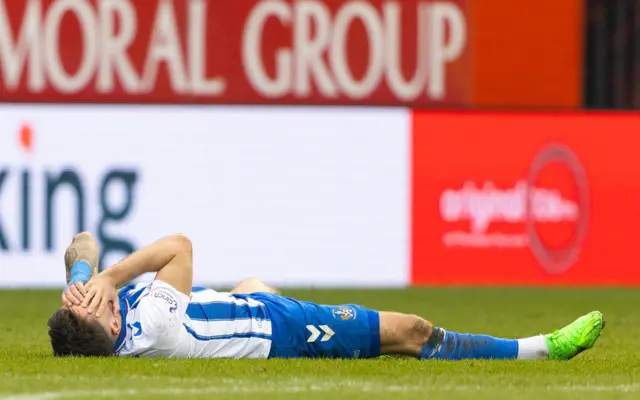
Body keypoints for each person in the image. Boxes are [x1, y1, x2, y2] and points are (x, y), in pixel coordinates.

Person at [48, 232, 605, 360]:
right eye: (104, 307)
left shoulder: (96, 323)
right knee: (409, 330)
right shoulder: (152, 325)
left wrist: (83, 273)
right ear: (117, 327)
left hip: (237, 306)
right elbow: (179, 248)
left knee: (250, 283)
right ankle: (540, 349)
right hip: (280, 329)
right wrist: (112, 278)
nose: (103, 299)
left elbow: (83, 241)